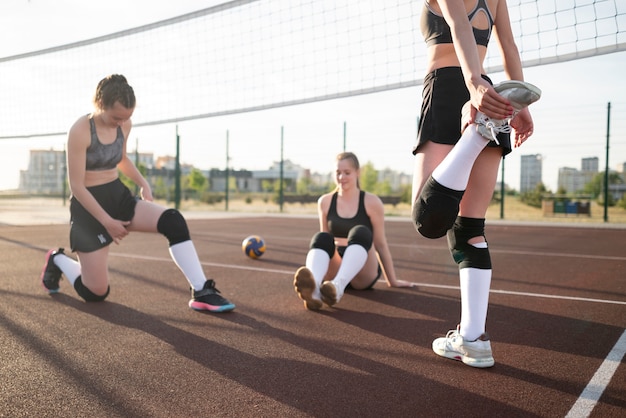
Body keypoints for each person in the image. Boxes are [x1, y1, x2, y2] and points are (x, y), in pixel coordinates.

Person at [411, 0, 540, 367]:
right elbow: (508, 46)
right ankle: (473, 339)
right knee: (469, 228)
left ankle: (475, 135)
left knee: (427, 218)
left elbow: (458, 25)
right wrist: (519, 106)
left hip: (463, 90)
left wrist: (474, 87)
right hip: (493, 96)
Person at [40, 74, 235, 313]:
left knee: (173, 220)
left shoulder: (124, 124)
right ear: (100, 104)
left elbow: (120, 158)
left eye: (127, 117)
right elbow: (77, 186)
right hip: (88, 209)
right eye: (116, 117)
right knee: (95, 293)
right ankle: (57, 259)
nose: (121, 122)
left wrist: (143, 183)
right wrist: (107, 222)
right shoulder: (81, 130)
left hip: (117, 196)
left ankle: (202, 290)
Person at [293, 151, 416, 310]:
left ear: (358, 173)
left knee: (361, 231)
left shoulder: (372, 202)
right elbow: (326, 245)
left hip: (363, 272)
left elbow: (380, 244)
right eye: (337, 173)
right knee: (321, 237)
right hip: (336, 267)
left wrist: (392, 280)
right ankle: (314, 290)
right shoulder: (325, 202)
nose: (341, 177)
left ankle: (337, 288)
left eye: (347, 172)